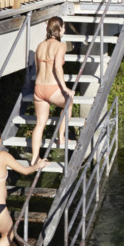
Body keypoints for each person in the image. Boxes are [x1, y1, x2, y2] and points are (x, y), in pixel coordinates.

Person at [30, 17, 74, 166]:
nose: (64, 30)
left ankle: (35, 159)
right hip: (52, 87)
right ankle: (61, 137)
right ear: (59, 28)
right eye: (64, 27)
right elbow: (57, 67)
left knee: (39, 124)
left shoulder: (40, 46)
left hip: (39, 88)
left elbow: (37, 68)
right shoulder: (61, 46)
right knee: (68, 103)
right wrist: (65, 88)